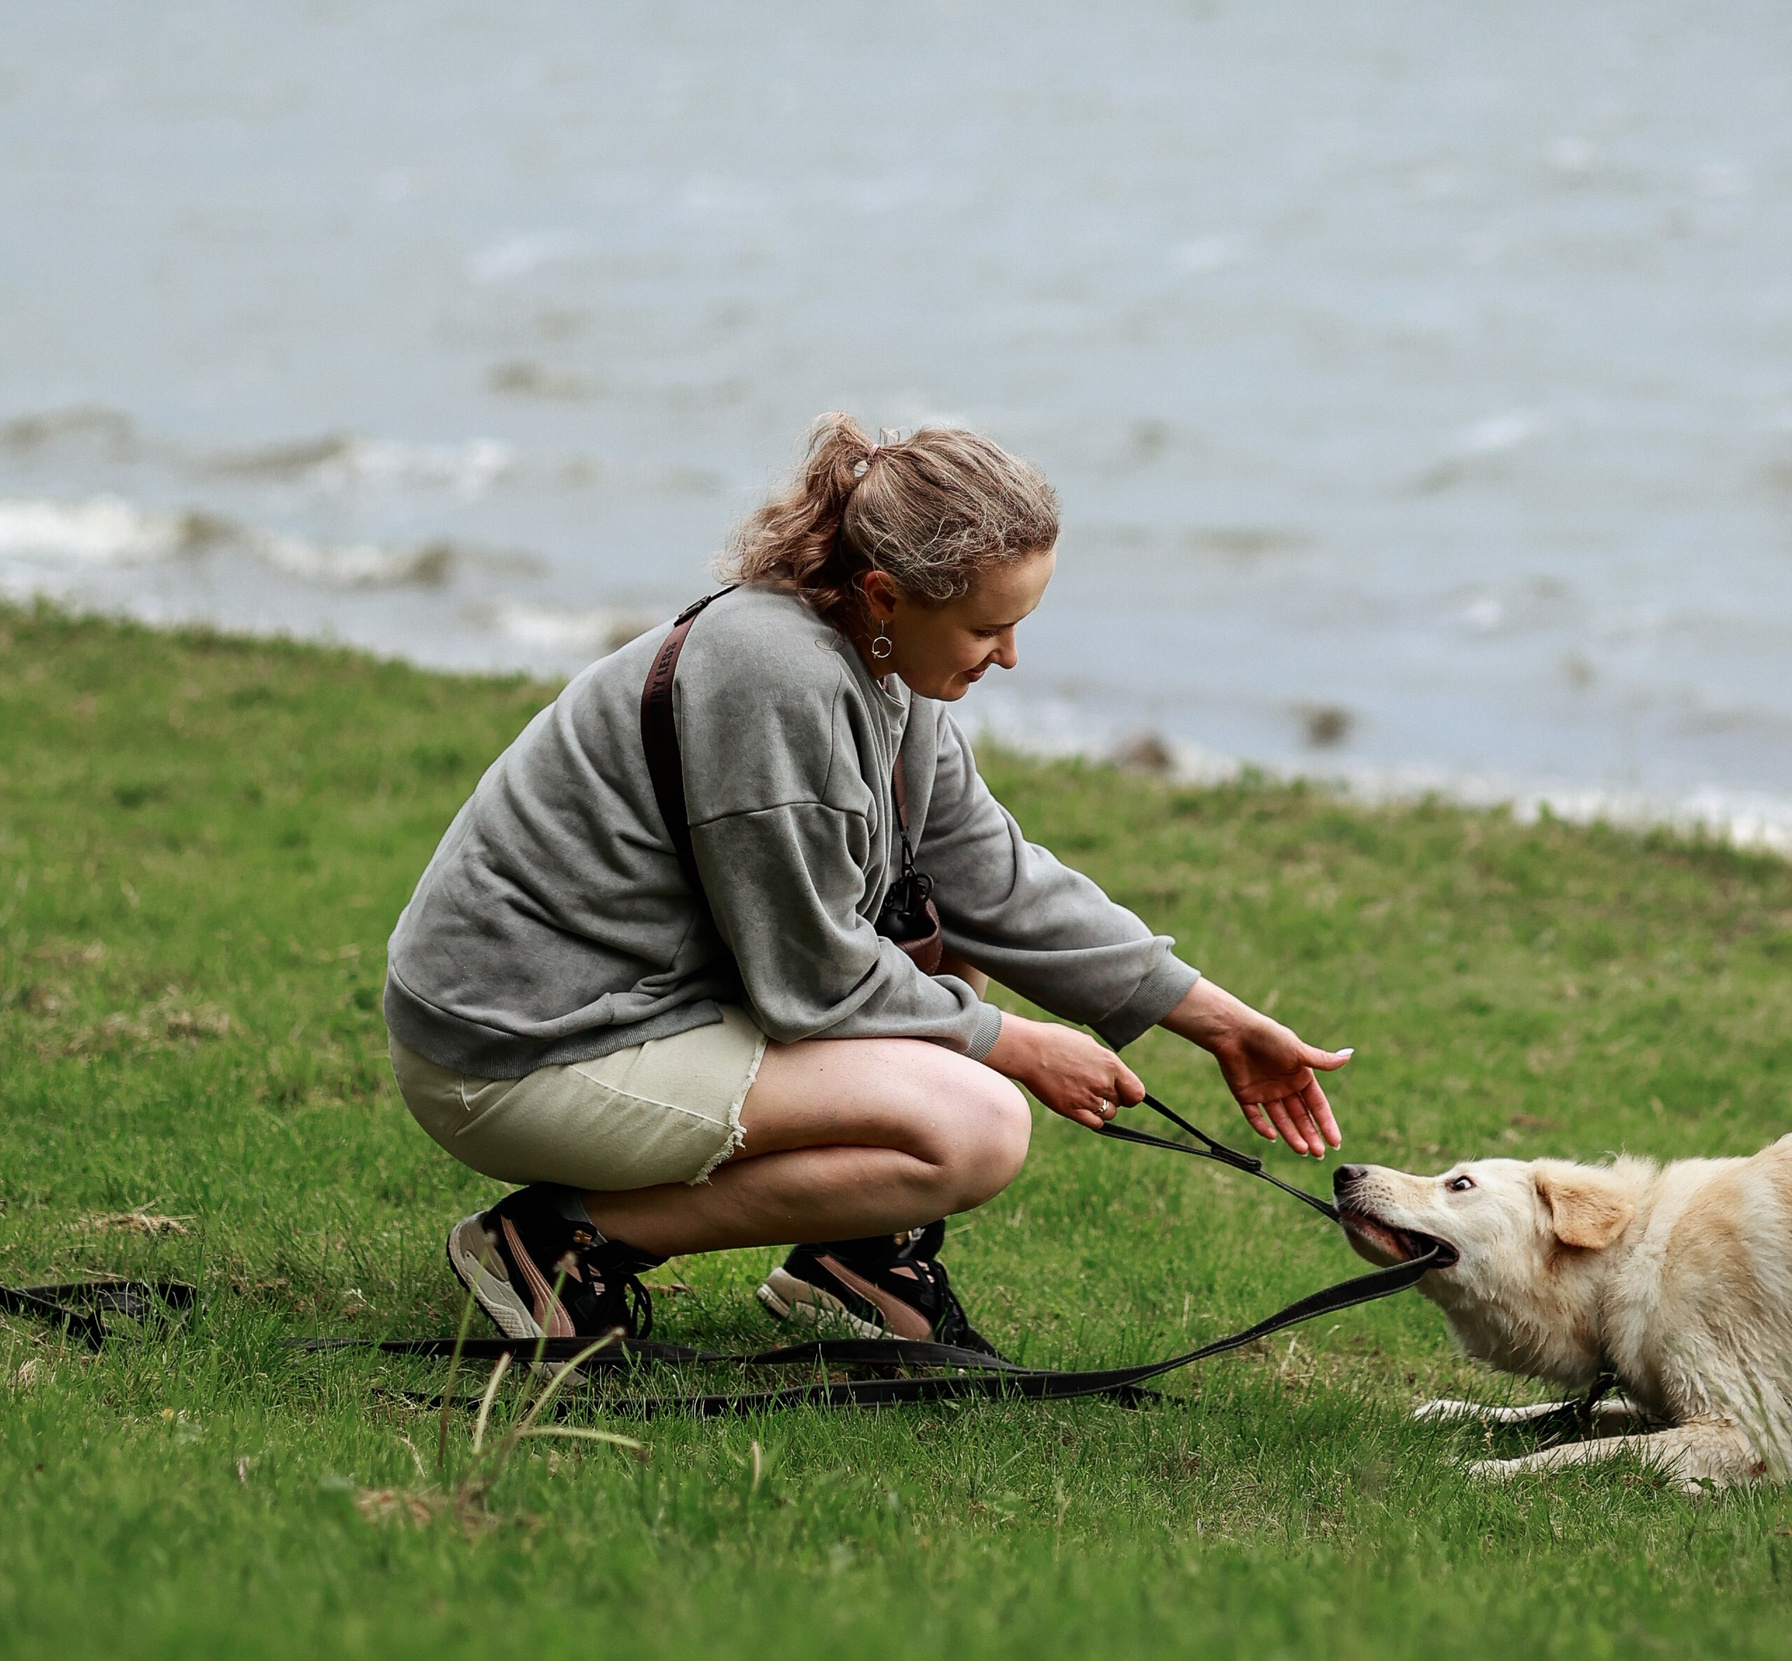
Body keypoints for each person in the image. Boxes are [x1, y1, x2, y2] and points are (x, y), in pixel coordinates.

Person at [382, 413, 1349, 1352]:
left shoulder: (884, 666)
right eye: (988, 627)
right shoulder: (776, 679)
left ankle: (857, 1264)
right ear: (887, 595)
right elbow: (816, 981)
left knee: (946, 931)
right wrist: (1014, 1045)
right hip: (516, 1049)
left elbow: (994, 880)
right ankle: (557, 1246)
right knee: (973, 1125)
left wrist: (1215, 1019)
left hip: (635, 1005)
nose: (1009, 656)